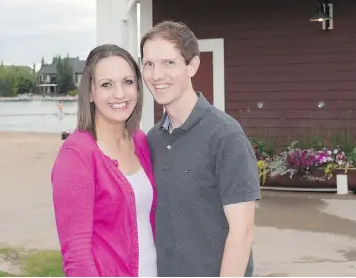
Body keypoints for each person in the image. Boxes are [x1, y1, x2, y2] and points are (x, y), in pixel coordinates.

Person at [140, 21, 261, 277]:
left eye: (168, 63)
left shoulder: (226, 136)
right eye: (148, 64)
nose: (156, 75)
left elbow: (243, 231)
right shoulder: (152, 139)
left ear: (192, 66)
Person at [51, 44, 157, 277]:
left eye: (127, 82)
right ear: (90, 92)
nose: (120, 94)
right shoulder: (77, 155)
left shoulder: (140, 140)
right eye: (106, 85)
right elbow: (77, 257)